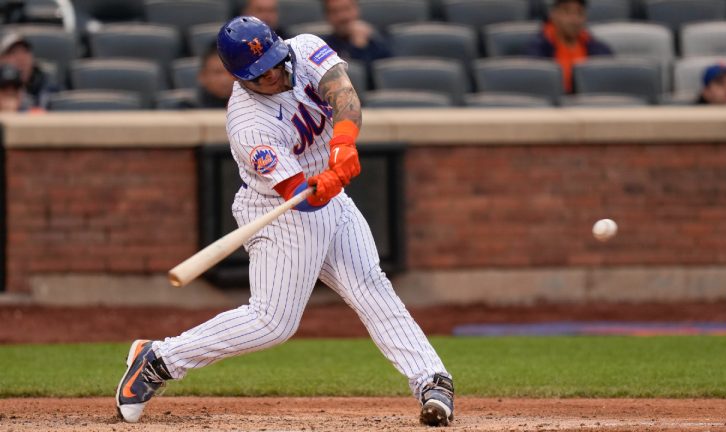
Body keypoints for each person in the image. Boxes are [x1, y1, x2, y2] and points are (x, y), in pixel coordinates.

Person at [115, 16, 454, 428]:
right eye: (261, 74)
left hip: (330, 196)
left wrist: (343, 143)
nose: (274, 75)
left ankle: (431, 381)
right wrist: (323, 184)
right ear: (239, 78)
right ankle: (159, 360)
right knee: (272, 322)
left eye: (276, 63)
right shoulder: (247, 124)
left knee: (369, 285)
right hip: (280, 213)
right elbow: (300, 197)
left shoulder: (306, 47)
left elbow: (344, 95)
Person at [525, 0, 612, 93]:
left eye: (580, 12)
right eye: (567, 12)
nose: (574, 19)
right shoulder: (537, 50)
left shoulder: (600, 50)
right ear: (553, 14)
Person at [321, 0, 390, 67]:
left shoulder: (377, 41)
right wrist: (357, 47)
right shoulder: (324, 47)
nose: (343, 16)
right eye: (335, 11)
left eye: (346, 9)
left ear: (357, 9)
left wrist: (361, 45)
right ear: (327, 16)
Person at [0, 32, 57, 109]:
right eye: (13, 52)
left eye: (25, 51)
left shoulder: (47, 85)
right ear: (2, 60)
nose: (21, 58)